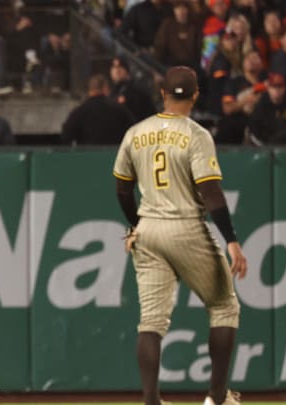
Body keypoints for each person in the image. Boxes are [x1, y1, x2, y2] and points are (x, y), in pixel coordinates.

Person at [112, 66, 247, 405]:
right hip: (185, 225)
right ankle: (216, 398)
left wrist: (136, 225)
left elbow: (123, 190)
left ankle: (151, 400)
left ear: (163, 94)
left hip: (149, 229)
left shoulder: (136, 132)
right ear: (196, 95)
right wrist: (231, 240)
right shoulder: (196, 134)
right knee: (224, 306)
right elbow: (211, 193)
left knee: (151, 322)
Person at [62, 74, 135, 145]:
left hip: (87, 156)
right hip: (114, 154)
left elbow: (66, 136)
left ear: (90, 90)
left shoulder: (79, 111)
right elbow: (133, 132)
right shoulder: (119, 109)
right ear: (105, 88)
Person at [215, 50, 266, 144]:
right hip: (239, 120)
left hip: (261, 120)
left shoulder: (267, 83)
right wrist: (246, 101)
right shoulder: (234, 83)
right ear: (243, 63)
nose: (251, 61)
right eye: (248, 58)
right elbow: (227, 108)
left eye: (255, 58)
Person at [153, 0, 202, 70]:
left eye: (183, 8)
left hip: (191, 67)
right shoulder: (167, 25)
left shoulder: (195, 26)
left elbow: (199, 48)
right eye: (178, 8)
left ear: (188, 10)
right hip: (169, 66)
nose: (181, 11)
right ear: (174, 10)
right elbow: (159, 47)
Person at [247, 73, 286, 144]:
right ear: (269, 89)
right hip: (263, 146)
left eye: (280, 86)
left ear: (284, 88)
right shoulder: (260, 107)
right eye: (274, 86)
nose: (277, 89)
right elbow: (254, 132)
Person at [109, 56, 156, 121]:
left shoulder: (137, 89)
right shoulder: (113, 91)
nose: (117, 70)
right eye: (114, 67)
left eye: (120, 67)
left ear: (127, 70)